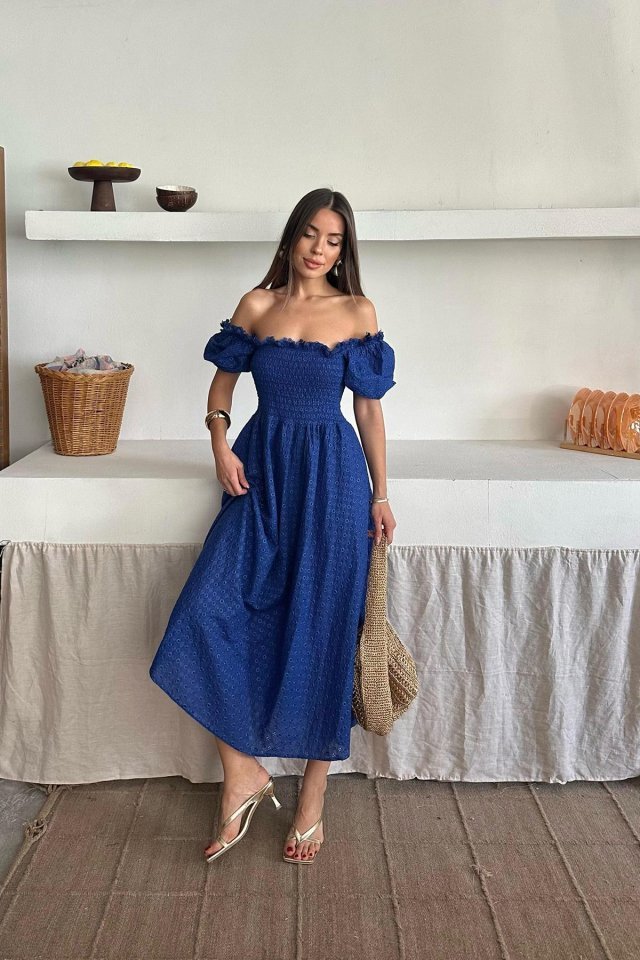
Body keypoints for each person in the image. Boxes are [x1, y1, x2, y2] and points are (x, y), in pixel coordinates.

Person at [149, 187, 397, 866]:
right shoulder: (256, 305)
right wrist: (220, 446)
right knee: (202, 614)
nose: (320, 249)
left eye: (334, 241)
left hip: (334, 483)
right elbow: (222, 387)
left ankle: (313, 801)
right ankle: (244, 773)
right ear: (292, 236)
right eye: (311, 234)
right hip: (260, 473)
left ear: (344, 251)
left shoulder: (358, 311)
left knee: (323, 631)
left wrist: (381, 493)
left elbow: (369, 411)